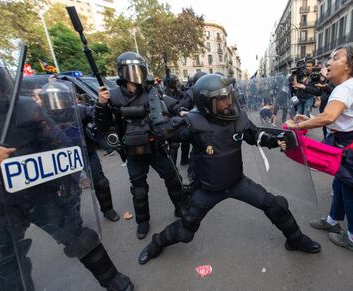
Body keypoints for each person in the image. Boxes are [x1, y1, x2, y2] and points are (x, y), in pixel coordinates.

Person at [137, 74, 321, 265]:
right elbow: (163, 133)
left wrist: (275, 140)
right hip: (207, 189)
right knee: (186, 230)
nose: (228, 102)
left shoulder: (237, 117)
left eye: (228, 96)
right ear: (206, 104)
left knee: (277, 206)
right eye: (221, 99)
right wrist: (153, 98)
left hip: (237, 182)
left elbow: (254, 134)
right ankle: (156, 243)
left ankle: (296, 240)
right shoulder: (193, 123)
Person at [0, 50, 133, 290]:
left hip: (38, 193)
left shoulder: (25, 108)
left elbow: (58, 145)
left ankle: (112, 280)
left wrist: (67, 185)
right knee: (8, 264)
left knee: (79, 236)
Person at [286, 44, 353, 254]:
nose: (328, 62)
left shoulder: (345, 88)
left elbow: (329, 117)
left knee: (349, 190)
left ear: (349, 65)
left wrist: (297, 126)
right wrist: (309, 119)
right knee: (341, 181)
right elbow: (345, 119)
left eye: (335, 58)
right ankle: (332, 220)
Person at [95, 51, 185, 239]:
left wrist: (181, 110)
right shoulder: (112, 96)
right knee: (139, 189)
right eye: (132, 70)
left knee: (173, 179)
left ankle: (181, 209)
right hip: (133, 151)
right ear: (122, 72)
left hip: (155, 146)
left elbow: (169, 105)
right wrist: (101, 105)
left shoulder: (151, 91)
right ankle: (142, 222)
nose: (136, 74)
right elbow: (103, 126)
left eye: (139, 69)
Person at [38, 83, 120, 222]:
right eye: (52, 98)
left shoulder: (78, 110)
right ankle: (74, 221)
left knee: (100, 182)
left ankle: (108, 209)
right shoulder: (41, 116)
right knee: (69, 191)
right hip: (62, 158)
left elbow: (95, 114)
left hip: (86, 152)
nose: (57, 102)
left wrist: (101, 103)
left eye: (60, 97)